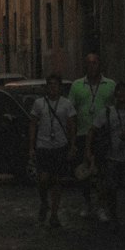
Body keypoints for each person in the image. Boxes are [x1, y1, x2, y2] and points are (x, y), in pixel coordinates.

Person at [68, 52, 115, 220]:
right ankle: (87, 203)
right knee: (83, 173)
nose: (92, 66)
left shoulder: (110, 85)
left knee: (102, 172)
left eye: (95, 63)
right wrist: (72, 139)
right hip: (82, 133)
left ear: (99, 65)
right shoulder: (77, 86)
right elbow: (71, 113)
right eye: (89, 63)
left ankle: (101, 205)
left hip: (102, 135)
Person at [28, 73, 77, 229]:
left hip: (60, 146)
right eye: (50, 84)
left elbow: (71, 126)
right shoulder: (39, 104)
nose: (52, 87)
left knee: (57, 180)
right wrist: (31, 146)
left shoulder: (66, 104)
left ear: (59, 87)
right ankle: (44, 202)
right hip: (43, 146)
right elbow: (33, 125)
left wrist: (72, 145)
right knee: (43, 179)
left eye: (55, 84)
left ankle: (54, 214)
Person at [89, 80, 125, 231]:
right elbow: (93, 130)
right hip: (112, 157)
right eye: (119, 91)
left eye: (124, 91)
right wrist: (89, 151)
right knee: (111, 190)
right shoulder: (107, 112)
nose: (121, 94)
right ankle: (114, 218)